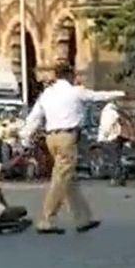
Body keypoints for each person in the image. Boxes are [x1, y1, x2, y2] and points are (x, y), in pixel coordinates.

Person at [20, 64, 123, 235]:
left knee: (69, 178)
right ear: (69, 75)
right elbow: (96, 96)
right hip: (67, 137)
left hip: (51, 138)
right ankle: (47, 219)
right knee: (61, 178)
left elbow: (34, 117)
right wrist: (119, 93)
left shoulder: (47, 94)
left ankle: (83, 218)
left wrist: (25, 137)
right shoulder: (74, 91)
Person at [97, 100, 127, 186]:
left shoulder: (108, 112)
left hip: (110, 138)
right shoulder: (115, 111)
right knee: (117, 158)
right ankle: (121, 177)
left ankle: (115, 178)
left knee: (113, 160)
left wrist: (104, 136)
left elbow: (107, 125)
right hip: (117, 137)